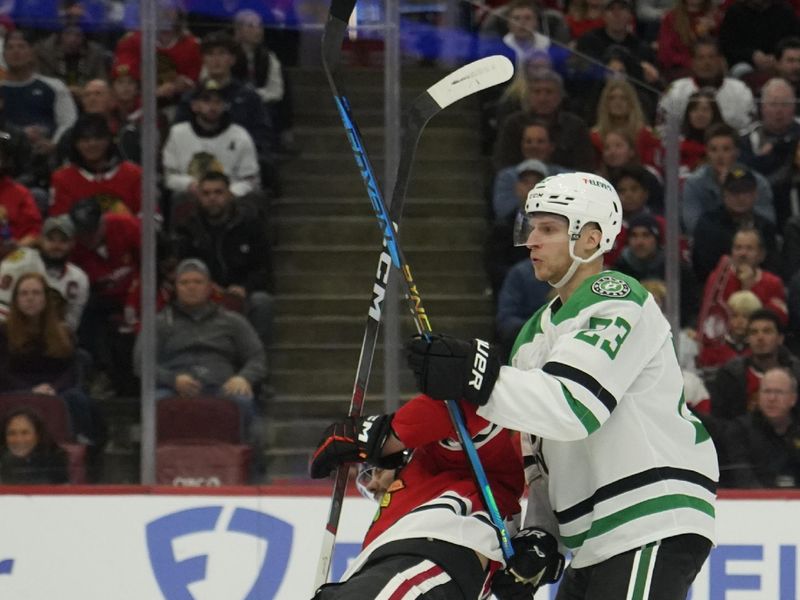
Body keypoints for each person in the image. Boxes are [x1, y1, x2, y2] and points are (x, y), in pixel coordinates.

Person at [406, 172, 718, 599]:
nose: (531, 240)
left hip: (650, 516)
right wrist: (541, 535)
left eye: (548, 228)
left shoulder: (618, 296)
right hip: (591, 542)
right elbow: (539, 459)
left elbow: (575, 407)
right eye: (530, 227)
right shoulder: (532, 335)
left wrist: (474, 376)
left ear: (590, 239)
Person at [309, 392, 558, 600]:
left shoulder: (436, 461)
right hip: (381, 575)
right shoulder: (391, 517)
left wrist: (378, 436)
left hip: (422, 561)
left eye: (372, 471)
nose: (371, 484)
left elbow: (459, 404)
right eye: (363, 482)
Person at [133, 258, 267, 438]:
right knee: (152, 407)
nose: (191, 287)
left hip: (222, 387)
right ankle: (150, 465)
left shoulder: (233, 321)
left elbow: (257, 358)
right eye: (184, 282)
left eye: (198, 282)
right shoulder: (159, 323)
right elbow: (142, 362)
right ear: (176, 288)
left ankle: (253, 465)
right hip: (173, 388)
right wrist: (172, 379)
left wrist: (244, 378)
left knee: (244, 405)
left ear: (209, 287)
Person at [172, 171, 273, 349]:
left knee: (262, 302)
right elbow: (183, 266)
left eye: (218, 192)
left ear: (229, 194)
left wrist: (244, 288)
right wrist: (207, 286)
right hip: (202, 292)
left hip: (241, 292)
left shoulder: (250, 224)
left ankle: (254, 361)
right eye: (206, 193)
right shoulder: (188, 227)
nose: (212, 198)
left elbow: (264, 269)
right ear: (198, 197)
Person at [0, 273, 94, 443]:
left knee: (76, 398)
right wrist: (32, 391)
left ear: (45, 298)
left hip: (57, 389)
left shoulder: (63, 332)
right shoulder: (3, 332)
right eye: (24, 294)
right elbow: (3, 373)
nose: (30, 298)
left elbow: (71, 370)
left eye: (36, 293)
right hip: (15, 389)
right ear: (16, 300)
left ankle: (80, 445)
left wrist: (52, 389)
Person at [162, 79, 261, 202]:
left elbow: (250, 180)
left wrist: (228, 192)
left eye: (217, 102)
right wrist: (189, 185)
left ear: (225, 106)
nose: (212, 107)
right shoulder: (178, 133)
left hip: (231, 201)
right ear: (194, 105)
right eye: (206, 101)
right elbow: (169, 177)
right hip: (191, 199)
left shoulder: (240, 135)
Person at [682, 125, 775, 237]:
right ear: (706, 152)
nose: (719, 156)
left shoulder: (757, 182)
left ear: (737, 152)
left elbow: (768, 222)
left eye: (726, 149)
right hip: (710, 244)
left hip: (750, 243)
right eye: (713, 150)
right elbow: (693, 226)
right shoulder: (694, 183)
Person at [0, 215, 90, 332]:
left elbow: (70, 326)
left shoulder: (79, 280)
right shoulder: (21, 261)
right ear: (41, 239)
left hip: (50, 338)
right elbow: (1, 306)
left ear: (72, 243)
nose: (56, 246)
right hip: (12, 333)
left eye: (63, 240)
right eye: (51, 239)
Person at [691, 166, 779, 283]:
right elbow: (705, 266)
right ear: (724, 194)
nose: (740, 198)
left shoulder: (765, 227)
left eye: (746, 192)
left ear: (755, 194)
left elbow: (772, 266)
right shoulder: (708, 224)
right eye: (734, 192)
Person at [493, 69, 593, 172]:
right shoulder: (513, 124)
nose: (543, 98)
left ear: (560, 96)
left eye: (549, 92)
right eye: (537, 92)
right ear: (528, 96)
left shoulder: (576, 126)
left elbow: (585, 167)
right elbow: (503, 164)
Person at [710, 309, 800, 421]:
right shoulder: (729, 375)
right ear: (748, 339)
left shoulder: (796, 373)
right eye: (754, 332)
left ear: (780, 338)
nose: (760, 338)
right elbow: (720, 422)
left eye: (767, 331)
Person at [612, 213, 700, 326]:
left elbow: (691, 310)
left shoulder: (676, 270)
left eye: (646, 235)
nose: (639, 242)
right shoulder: (619, 272)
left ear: (657, 239)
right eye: (634, 236)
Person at [49, 114, 143, 217]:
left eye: (98, 138)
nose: (92, 144)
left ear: (108, 140)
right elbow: (59, 223)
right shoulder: (62, 178)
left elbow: (150, 220)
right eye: (85, 139)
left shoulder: (133, 174)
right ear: (75, 144)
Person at [723, 367, 800, 488]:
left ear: (793, 399)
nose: (772, 398)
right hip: (755, 503)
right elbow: (743, 477)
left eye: (779, 392)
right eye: (766, 392)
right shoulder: (740, 430)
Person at [657, 38, 755, 133]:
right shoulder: (675, 91)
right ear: (692, 62)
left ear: (720, 61)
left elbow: (751, 131)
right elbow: (663, 131)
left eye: (711, 57)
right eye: (701, 58)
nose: (706, 63)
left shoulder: (741, 91)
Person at [738, 78, 800, 224]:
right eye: (773, 104)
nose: (779, 110)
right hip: (761, 207)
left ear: (794, 108)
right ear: (762, 107)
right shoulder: (747, 140)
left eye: (785, 104)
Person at [0, 407, 68, 484]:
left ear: (37, 435)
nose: (18, 439)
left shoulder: (55, 459)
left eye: (25, 433)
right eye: (11, 433)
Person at [697, 289, 761, 372]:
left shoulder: (759, 350)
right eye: (735, 316)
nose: (739, 321)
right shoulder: (714, 349)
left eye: (745, 316)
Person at [656, 0, 720, 81]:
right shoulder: (671, 18)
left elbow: (721, 50)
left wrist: (712, 31)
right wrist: (693, 63)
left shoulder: (715, 18)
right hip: (680, 70)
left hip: (711, 68)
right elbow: (665, 54)